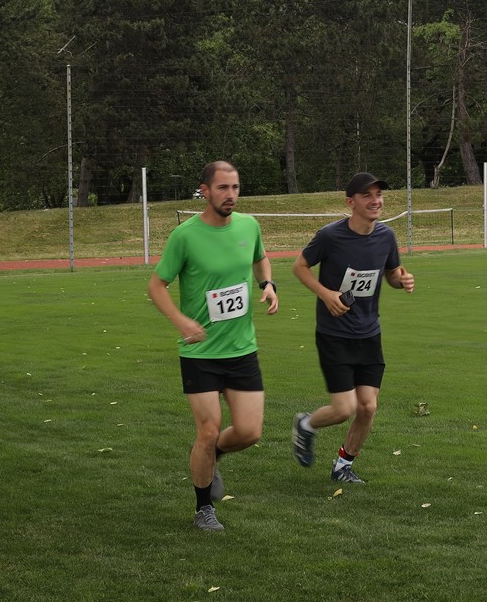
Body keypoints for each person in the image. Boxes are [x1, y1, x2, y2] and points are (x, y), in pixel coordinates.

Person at [150, 159, 277, 532]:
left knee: (250, 432)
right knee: (207, 430)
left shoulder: (249, 226)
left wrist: (268, 285)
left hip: (242, 349)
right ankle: (203, 508)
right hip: (200, 353)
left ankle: (213, 454)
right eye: (223, 188)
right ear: (204, 191)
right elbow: (156, 286)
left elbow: (260, 259)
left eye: (235, 187)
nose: (231, 195)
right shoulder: (185, 236)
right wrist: (181, 321)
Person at [291, 173, 416, 486]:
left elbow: (391, 273)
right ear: (351, 202)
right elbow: (299, 267)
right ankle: (306, 424)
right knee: (343, 408)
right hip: (334, 334)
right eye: (367, 195)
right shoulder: (330, 236)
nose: (375, 200)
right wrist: (326, 294)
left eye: (378, 194)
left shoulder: (386, 236)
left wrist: (402, 280)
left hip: (369, 333)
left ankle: (343, 465)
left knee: (368, 407)